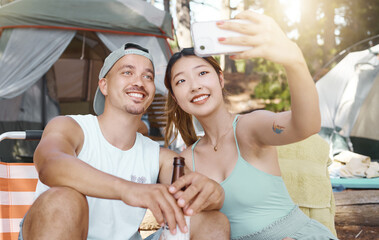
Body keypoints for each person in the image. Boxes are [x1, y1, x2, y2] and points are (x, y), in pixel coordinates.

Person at [19, 43, 229, 240]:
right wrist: (128, 190)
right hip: (59, 231)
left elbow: (191, 196)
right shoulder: (71, 127)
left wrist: (214, 195)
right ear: (104, 85)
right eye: (127, 72)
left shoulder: (159, 157)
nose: (138, 82)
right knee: (64, 200)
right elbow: (50, 165)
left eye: (147, 76)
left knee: (212, 220)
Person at [164, 11, 338, 240]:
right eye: (181, 81)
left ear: (220, 79)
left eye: (203, 73)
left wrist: (293, 60)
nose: (194, 86)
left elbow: (307, 124)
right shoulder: (183, 162)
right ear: (176, 98)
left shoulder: (249, 128)